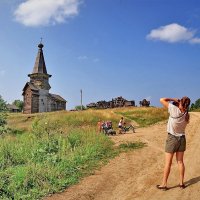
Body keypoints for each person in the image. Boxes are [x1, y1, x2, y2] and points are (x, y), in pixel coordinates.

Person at [157, 97, 191, 190]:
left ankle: (164, 184)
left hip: (172, 138)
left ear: (180, 103)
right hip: (182, 138)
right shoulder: (187, 114)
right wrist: (180, 103)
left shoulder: (174, 109)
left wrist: (174, 99)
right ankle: (181, 183)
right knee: (180, 162)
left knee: (168, 163)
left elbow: (161, 99)